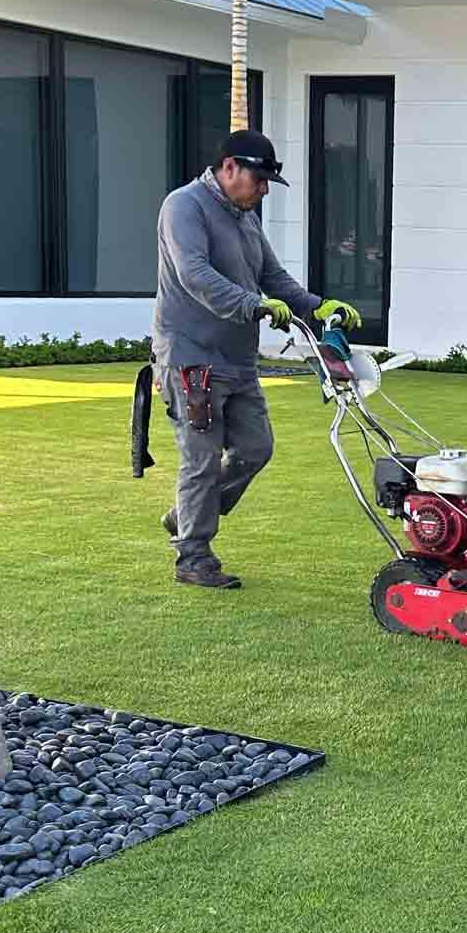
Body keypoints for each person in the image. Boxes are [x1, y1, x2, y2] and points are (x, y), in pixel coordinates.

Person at [151, 130, 360, 589]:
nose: (264, 189)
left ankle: (186, 513)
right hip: (191, 358)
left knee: (255, 448)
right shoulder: (183, 206)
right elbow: (195, 276)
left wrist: (317, 306)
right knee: (201, 461)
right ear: (229, 168)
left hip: (237, 359)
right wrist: (253, 306)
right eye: (259, 179)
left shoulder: (246, 218)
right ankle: (193, 557)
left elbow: (272, 276)